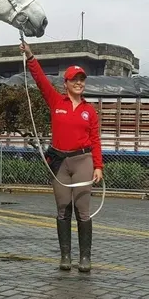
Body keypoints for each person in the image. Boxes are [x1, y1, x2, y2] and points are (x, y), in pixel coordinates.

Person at [19, 41, 103, 273]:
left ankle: (85, 258)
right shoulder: (56, 101)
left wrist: (98, 166)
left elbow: (95, 140)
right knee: (63, 209)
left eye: (82, 79)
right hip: (60, 163)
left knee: (83, 211)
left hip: (83, 161)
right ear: (65, 83)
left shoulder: (90, 110)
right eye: (74, 79)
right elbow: (40, 80)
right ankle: (65, 256)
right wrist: (30, 56)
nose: (79, 83)